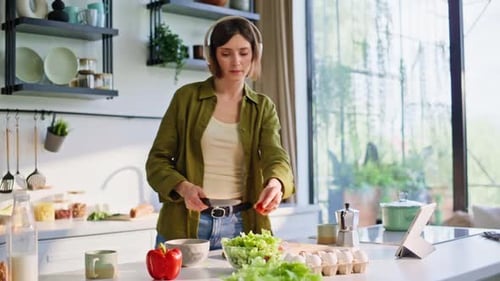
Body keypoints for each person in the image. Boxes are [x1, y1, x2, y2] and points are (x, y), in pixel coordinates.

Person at [146, 16, 295, 250]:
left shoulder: (263, 107)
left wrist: (276, 183)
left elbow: (275, 156)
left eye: (244, 53)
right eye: (226, 53)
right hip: (185, 225)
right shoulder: (186, 99)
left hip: (241, 227)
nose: (236, 62)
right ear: (212, 55)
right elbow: (157, 163)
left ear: (255, 54)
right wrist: (183, 188)